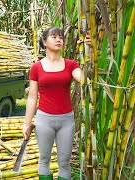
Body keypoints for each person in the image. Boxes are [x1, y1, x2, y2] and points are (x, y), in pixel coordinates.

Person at [23, 27, 91, 180]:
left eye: (61, 37)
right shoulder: (36, 67)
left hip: (66, 120)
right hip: (44, 120)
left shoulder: (70, 64)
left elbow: (84, 80)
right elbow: (32, 97)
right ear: (44, 42)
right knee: (44, 160)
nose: (59, 39)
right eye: (54, 37)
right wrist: (26, 123)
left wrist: (89, 51)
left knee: (64, 163)